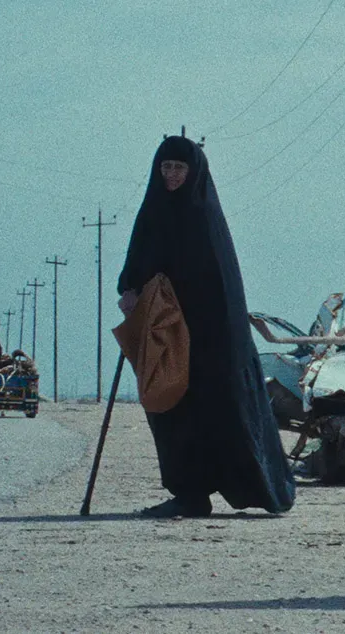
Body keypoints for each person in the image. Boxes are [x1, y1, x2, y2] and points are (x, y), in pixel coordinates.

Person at [118, 134, 295, 518]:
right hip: (165, 332)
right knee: (168, 409)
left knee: (220, 412)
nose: (172, 175)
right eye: (166, 167)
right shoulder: (152, 211)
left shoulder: (204, 217)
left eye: (179, 168)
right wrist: (130, 289)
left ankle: (261, 489)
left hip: (210, 340)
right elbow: (136, 259)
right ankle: (189, 493)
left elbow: (220, 285)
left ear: (194, 171)